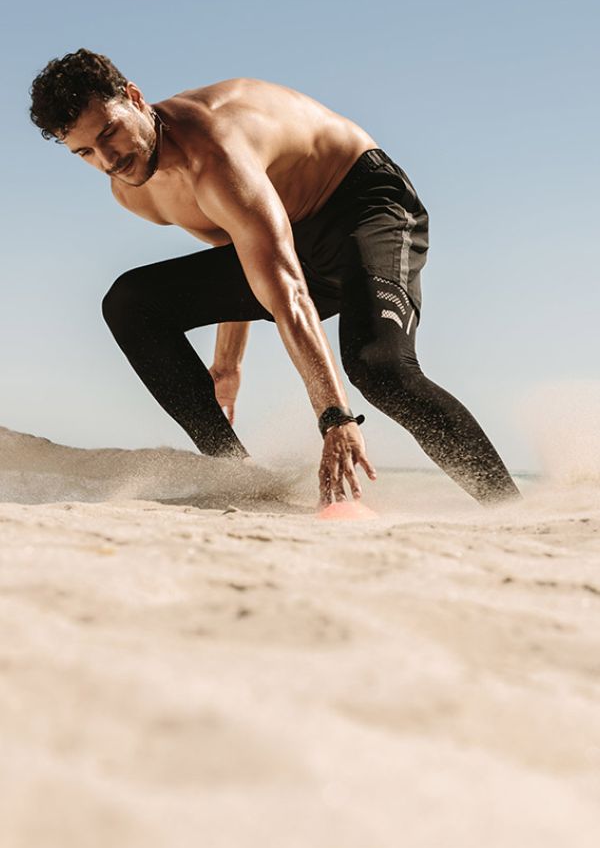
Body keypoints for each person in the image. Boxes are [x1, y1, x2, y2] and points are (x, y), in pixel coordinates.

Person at [29, 48, 520, 506]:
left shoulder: (215, 150)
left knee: (379, 368)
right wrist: (227, 368)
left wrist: (335, 417)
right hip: (288, 239)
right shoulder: (135, 190)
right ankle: (234, 471)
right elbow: (245, 249)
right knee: (130, 302)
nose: (109, 159)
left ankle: (506, 507)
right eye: (86, 153)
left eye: (110, 132)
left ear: (135, 98)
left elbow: (285, 288)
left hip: (363, 209)